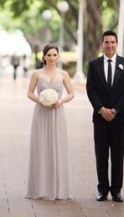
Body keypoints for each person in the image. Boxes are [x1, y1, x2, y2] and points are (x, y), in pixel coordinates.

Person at [85, 30, 124, 203]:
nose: (110, 45)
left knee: (118, 155)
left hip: (119, 118)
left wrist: (115, 110)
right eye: (106, 42)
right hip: (100, 118)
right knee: (101, 154)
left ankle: (117, 191)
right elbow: (90, 89)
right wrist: (101, 109)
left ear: (117, 44)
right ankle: (102, 190)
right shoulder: (94, 64)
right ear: (102, 44)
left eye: (113, 42)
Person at [26, 44, 74, 200]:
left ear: (58, 57)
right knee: (42, 146)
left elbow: (71, 93)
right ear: (44, 57)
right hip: (41, 113)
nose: (52, 58)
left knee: (57, 146)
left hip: (57, 112)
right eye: (49, 55)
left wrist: (61, 101)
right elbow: (29, 93)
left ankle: (58, 188)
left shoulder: (64, 74)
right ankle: (40, 188)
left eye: (54, 55)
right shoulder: (37, 74)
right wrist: (41, 101)